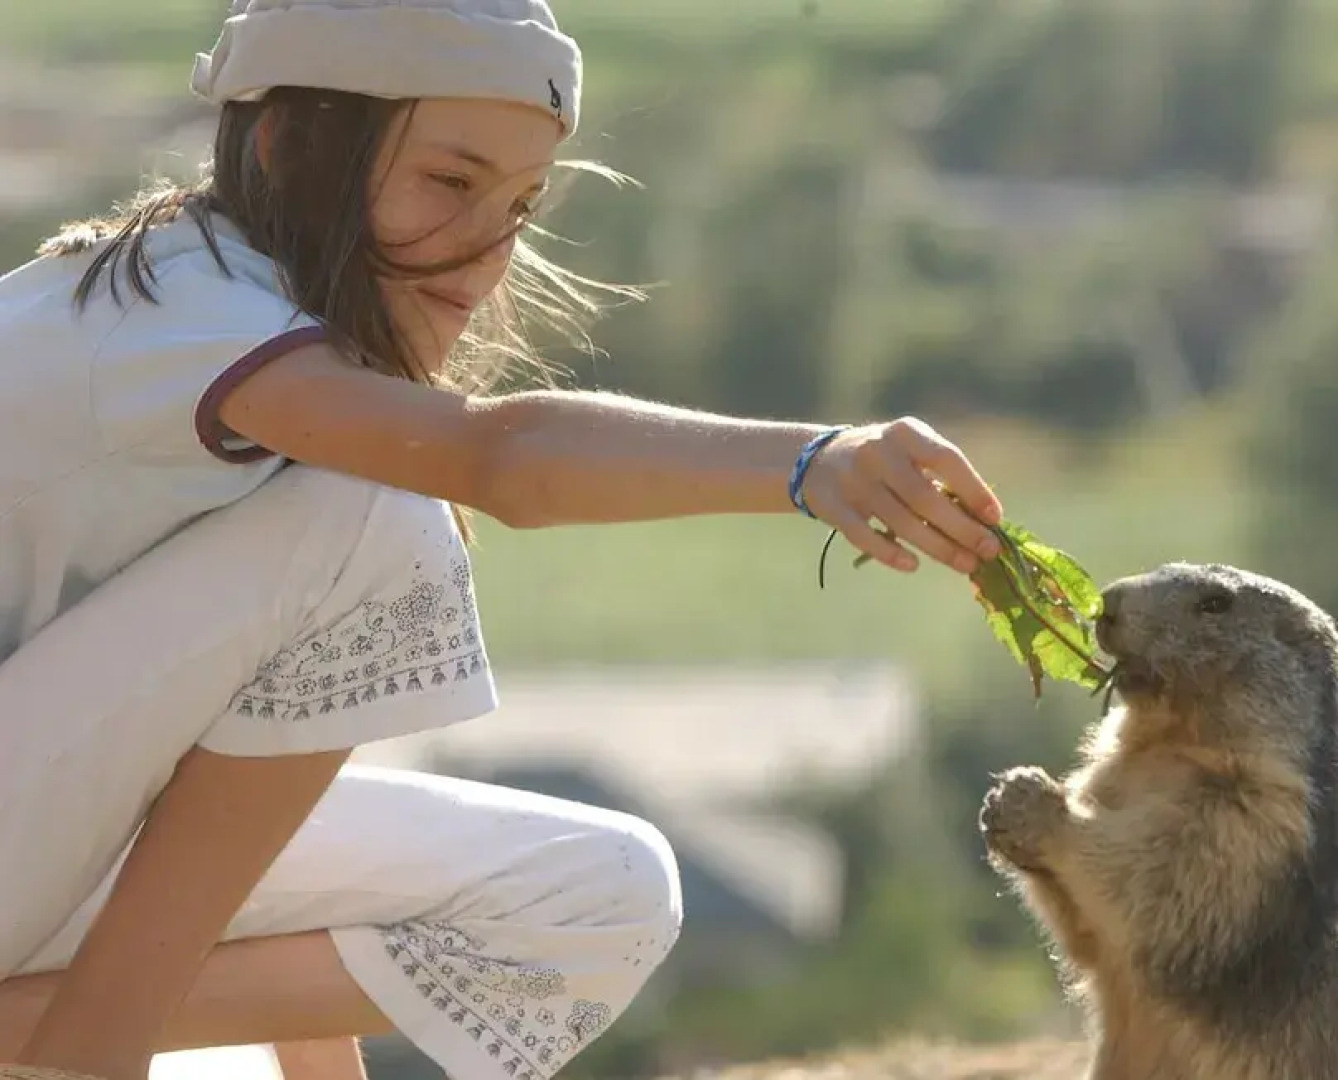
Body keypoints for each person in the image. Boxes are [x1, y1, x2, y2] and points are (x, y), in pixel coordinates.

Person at [0, 2, 1006, 1079]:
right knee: (380, 510)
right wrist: (814, 464)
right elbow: (498, 463)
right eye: (448, 182)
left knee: (601, 898)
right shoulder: (177, 311)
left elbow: (227, 827)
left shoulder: (273, 360)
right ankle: (85, 1056)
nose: (486, 252)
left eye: (520, 206)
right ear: (287, 143)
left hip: (40, 841)